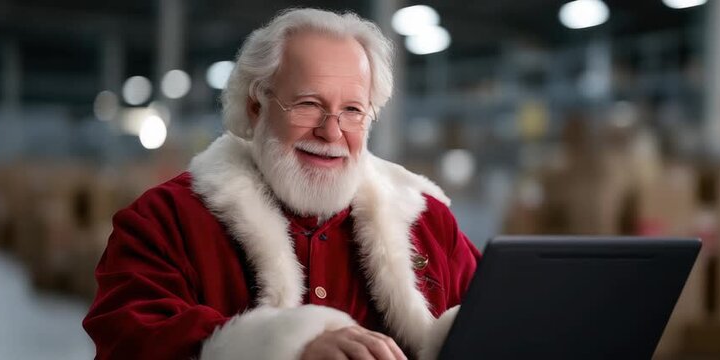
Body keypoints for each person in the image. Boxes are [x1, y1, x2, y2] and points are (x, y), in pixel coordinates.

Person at [83, 8, 480, 360]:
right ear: (255, 107)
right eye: (309, 104)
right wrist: (286, 348)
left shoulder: (428, 221)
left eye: (352, 111)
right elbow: (127, 340)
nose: (331, 131)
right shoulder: (165, 220)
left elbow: (496, 317)